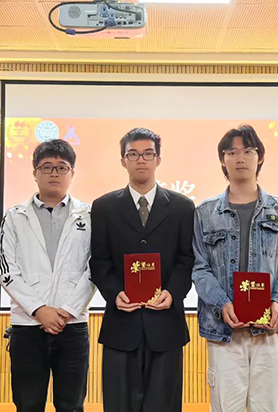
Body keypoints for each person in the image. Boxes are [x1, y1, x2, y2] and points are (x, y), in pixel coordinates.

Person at [192, 124, 278, 412]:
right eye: (231, 152)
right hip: (223, 330)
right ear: (223, 160)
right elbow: (199, 268)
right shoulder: (205, 213)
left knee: (268, 407)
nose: (240, 158)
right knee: (226, 407)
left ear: (260, 157)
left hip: (269, 330)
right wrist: (222, 304)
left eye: (248, 150)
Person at [90, 127, 195, 412]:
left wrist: (173, 293)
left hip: (166, 324)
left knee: (164, 405)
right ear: (123, 160)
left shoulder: (183, 207)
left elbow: (187, 259)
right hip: (121, 324)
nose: (141, 160)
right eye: (133, 154)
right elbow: (99, 261)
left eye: (148, 154)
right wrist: (115, 293)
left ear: (158, 159)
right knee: (119, 404)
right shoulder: (103, 207)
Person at [0, 139, 96, 412]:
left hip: (72, 324)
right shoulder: (14, 216)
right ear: (35, 172)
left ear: (72, 173)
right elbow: (6, 270)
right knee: (28, 404)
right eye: (47, 167)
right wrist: (39, 309)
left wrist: (67, 310)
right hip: (28, 326)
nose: (54, 173)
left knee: (71, 405)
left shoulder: (89, 215)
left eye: (62, 167)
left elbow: (95, 267)